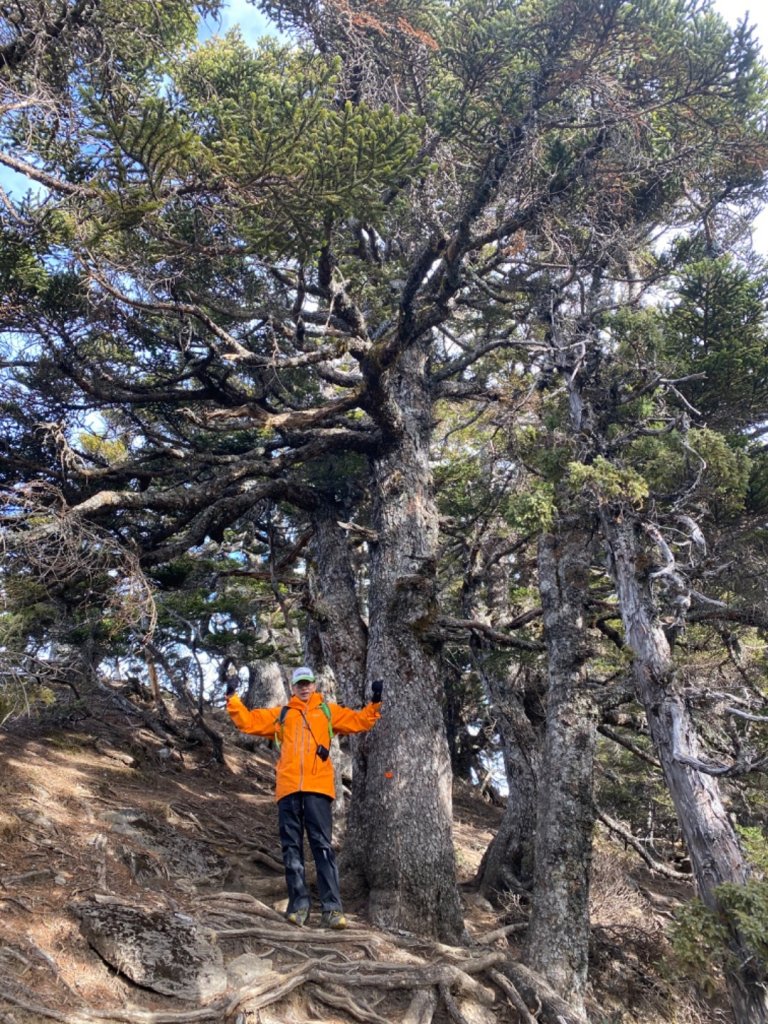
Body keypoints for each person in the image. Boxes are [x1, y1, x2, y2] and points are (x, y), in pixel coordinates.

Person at [225, 665, 383, 929]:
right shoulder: (283, 715)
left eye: (308, 683)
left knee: (322, 847)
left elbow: (359, 721)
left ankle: (332, 910)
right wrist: (232, 696)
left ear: (314, 685)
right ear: (292, 687)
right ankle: (298, 907)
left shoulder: (327, 711)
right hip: (288, 790)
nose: (305, 687)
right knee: (291, 849)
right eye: (300, 684)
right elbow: (248, 721)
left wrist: (375, 703)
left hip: (318, 789)